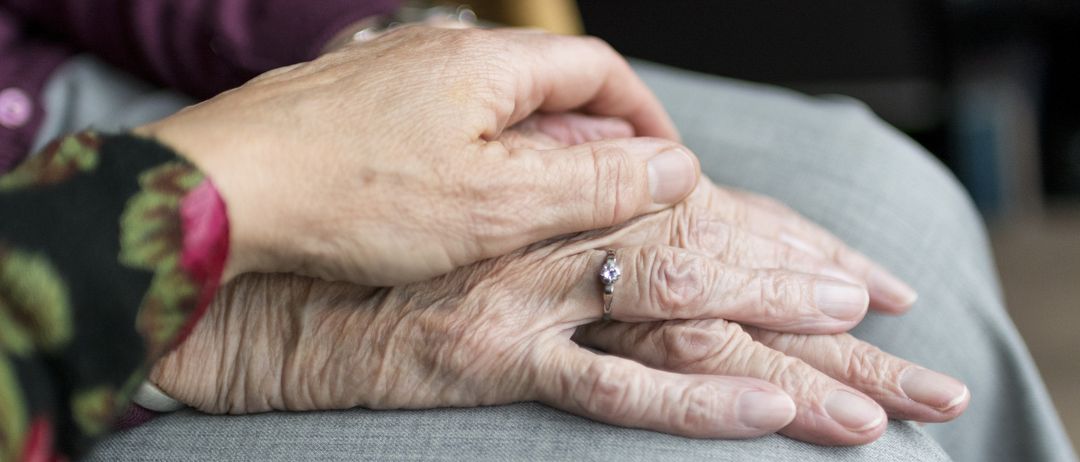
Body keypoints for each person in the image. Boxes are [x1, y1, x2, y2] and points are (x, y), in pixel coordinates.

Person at [0, 2, 1074, 462]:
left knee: (887, 201)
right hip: (42, 331)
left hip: (73, 88)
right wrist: (218, 319)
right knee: (809, 447)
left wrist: (375, 57)